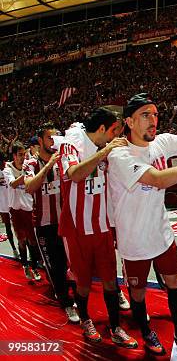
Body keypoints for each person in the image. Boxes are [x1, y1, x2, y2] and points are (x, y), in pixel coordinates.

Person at [107, 93, 177, 358]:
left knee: (174, 282)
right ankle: (146, 331)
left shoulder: (163, 142)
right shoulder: (119, 155)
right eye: (145, 115)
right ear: (129, 121)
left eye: (155, 115)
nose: (153, 120)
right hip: (133, 237)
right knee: (137, 291)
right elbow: (158, 179)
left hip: (161, 232)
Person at [58, 106, 137, 348]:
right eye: (113, 131)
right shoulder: (70, 146)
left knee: (111, 282)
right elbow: (74, 174)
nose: (114, 136)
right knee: (82, 283)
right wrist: (104, 153)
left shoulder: (106, 149)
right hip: (78, 230)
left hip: (102, 227)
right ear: (102, 128)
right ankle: (85, 320)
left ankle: (115, 328)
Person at [23, 122, 78, 323]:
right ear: (40, 141)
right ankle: (66, 303)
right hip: (44, 225)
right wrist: (48, 165)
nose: (54, 141)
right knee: (55, 266)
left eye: (56, 137)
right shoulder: (31, 164)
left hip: (65, 222)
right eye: (49, 138)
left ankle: (73, 297)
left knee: (70, 263)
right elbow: (30, 187)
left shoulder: (63, 160)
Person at [3, 141, 41, 281]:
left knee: (32, 240)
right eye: (19, 155)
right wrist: (26, 175)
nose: (22, 157)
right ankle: (25, 265)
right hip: (16, 209)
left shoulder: (28, 166)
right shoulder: (8, 169)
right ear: (13, 156)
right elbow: (13, 184)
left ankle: (35, 267)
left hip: (29, 208)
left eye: (24, 154)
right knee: (22, 240)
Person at [0, 152, 18, 259]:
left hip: (13, 201)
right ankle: (14, 249)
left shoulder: (9, 167)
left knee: (18, 226)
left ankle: (22, 247)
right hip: (2, 203)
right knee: (7, 227)